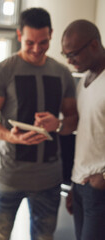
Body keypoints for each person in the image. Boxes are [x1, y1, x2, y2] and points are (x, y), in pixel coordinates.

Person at [0, 8, 78, 240]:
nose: (36, 48)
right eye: (30, 42)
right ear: (19, 35)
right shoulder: (2, 71)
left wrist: (57, 124)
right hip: (9, 177)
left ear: (51, 34)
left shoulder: (62, 73)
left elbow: (72, 120)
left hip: (49, 178)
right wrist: (12, 136)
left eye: (43, 42)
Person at [61, 19, 105, 240]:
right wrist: (73, 184)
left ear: (94, 45)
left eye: (73, 54)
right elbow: (86, 133)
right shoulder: (85, 80)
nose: (70, 61)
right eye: (65, 55)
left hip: (99, 187)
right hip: (80, 184)